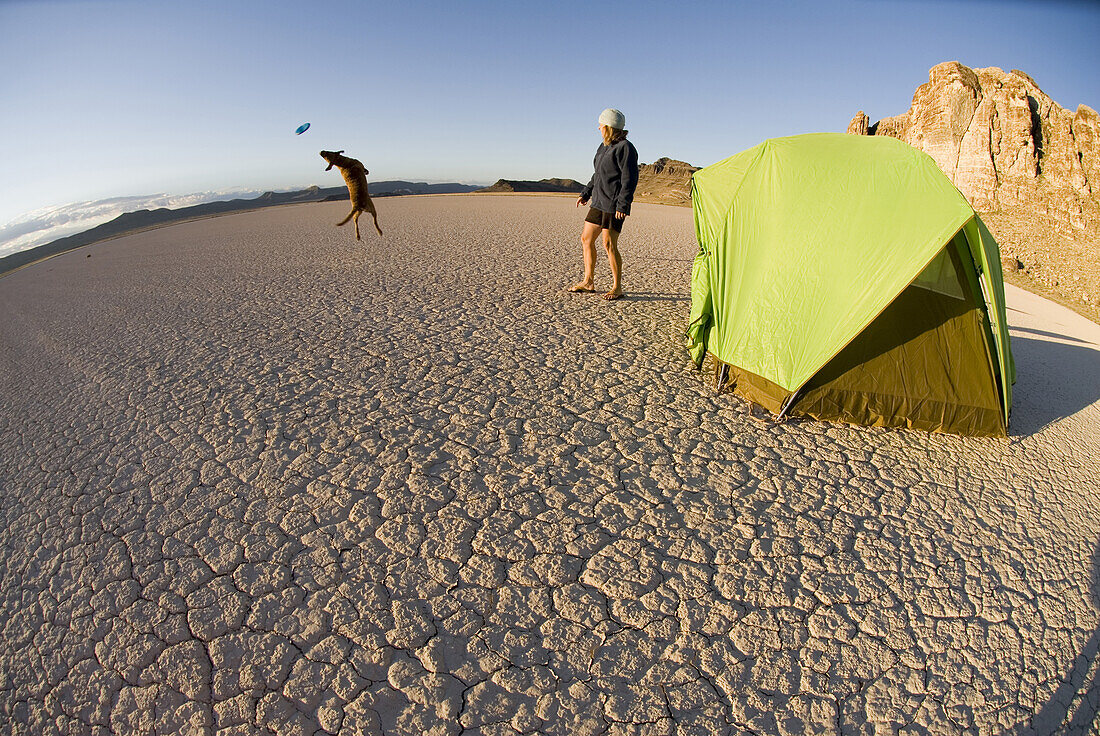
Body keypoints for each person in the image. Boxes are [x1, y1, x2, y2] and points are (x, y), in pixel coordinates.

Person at [570, 108, 639, 300]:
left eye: (601, 124)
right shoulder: (604, 146)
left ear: (609, 126)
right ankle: (588, 281)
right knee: (586, 239)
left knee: (609, 244)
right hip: (598, 202)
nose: (598, 127)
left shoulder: (625, 148)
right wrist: (586, 194)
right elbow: (597, 174)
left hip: (613, 205)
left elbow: (629, 179)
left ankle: (617, 287)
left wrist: (623, 205)